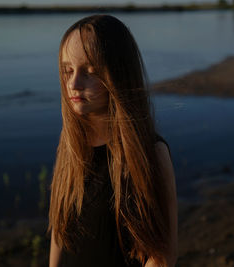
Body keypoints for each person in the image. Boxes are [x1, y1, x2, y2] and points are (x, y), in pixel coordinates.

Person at [48, 14, 177, 267]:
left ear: (118, 75)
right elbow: (59, 230)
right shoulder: (70, 145)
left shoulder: (151, 152)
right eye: (68, 70)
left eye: (90, 71)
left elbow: (162, 256)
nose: (73, 83)